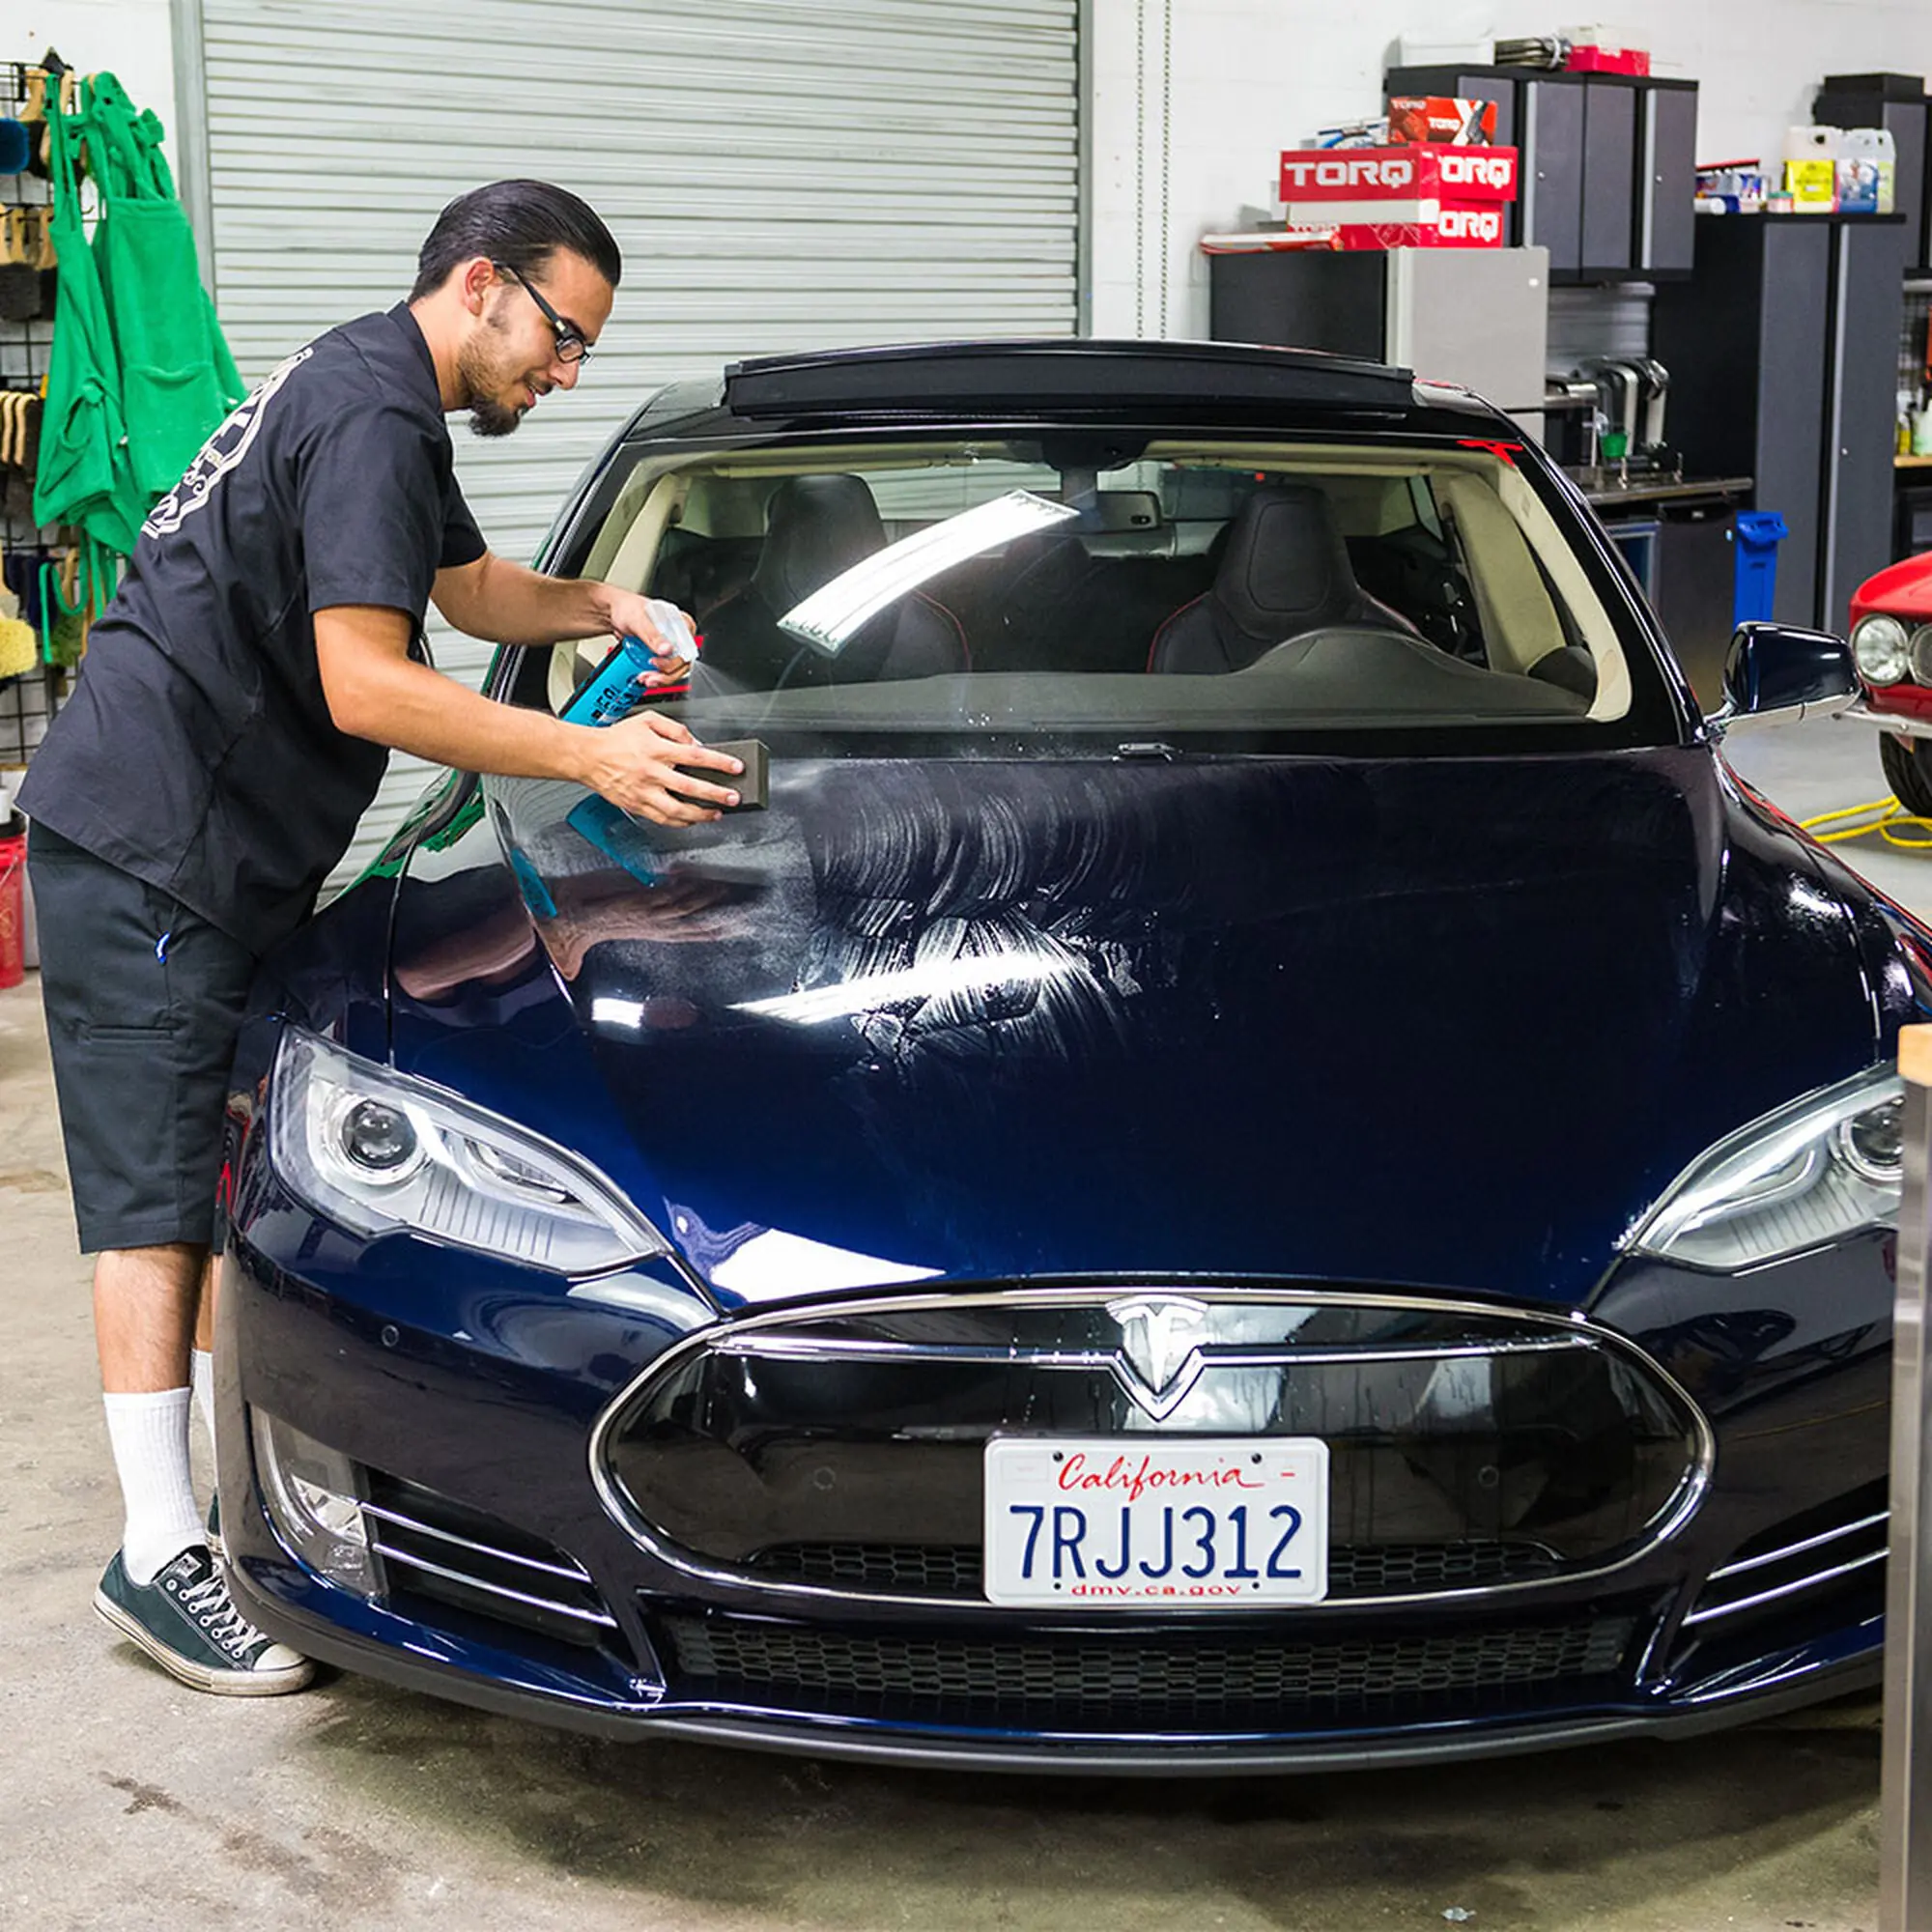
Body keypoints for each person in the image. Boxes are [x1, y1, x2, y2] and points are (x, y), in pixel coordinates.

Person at [18, 180, 744, 1696]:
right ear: (481, 285)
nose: (565, 373)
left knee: (213, 1166)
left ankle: (219, 1507)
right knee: (156, 1197)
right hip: (154, 848)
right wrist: (592, 756)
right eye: (562, 336)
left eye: (584, 351)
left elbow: (464, 590)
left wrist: (604, 604)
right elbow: (365, 682)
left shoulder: (384, 397)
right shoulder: (371, 413)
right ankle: (156, 1551)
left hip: (207, 844)